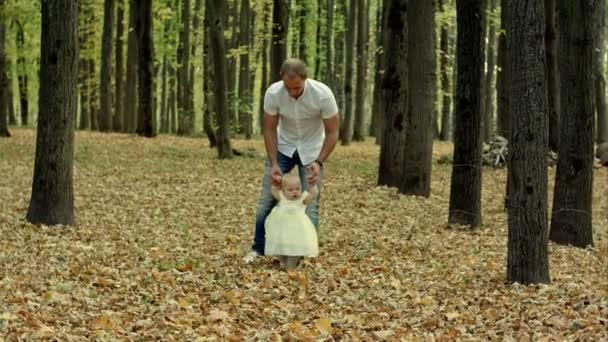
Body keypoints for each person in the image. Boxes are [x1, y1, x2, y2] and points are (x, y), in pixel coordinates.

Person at [243, 58, 339, 263]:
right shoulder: (273, 93)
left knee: (310, 204)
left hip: (312, 149)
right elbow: (269, 128)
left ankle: (306, 254)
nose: (292, 92)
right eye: (288, 87)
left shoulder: (322, 95)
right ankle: (258, 249)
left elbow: (332, 132)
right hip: (284, 146)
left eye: (297, 88)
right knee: (266, 201)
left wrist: (319, 161)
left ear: (305, 79)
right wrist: (274, 163)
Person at [264, 172, 319, 269]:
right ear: (283, 190)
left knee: (295, 248)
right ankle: (284, 263)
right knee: (282, 249)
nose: (295, 192)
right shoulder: (282, 197)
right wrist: (275, 182)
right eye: (290, 190)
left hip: (297, 231)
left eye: (297, 189)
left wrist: (313, 185)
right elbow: (273, 189)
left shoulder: (302, 199)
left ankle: (291, 266)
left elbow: (313, 194)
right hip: (282, 230)